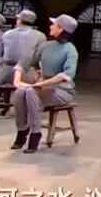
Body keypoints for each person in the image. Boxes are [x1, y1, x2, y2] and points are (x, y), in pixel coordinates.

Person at [10, 14, 79, 154]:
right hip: (42, 87)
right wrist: (17, 80)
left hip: (62, 90)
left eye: (54, 24)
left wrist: (41, 84)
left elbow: (67, 75)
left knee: (30, 92)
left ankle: (35, 133)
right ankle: (22, 130)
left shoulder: (70, 49)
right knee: (19, 92)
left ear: (61, 28)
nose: (50, 26)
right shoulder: (46, 46)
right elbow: (27, 62)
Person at [0, 10, 46, 86]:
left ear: (19, 20)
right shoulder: (40, 36)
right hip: (27, 74)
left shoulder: (6, 34)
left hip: (6, 74)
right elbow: (40, 58)